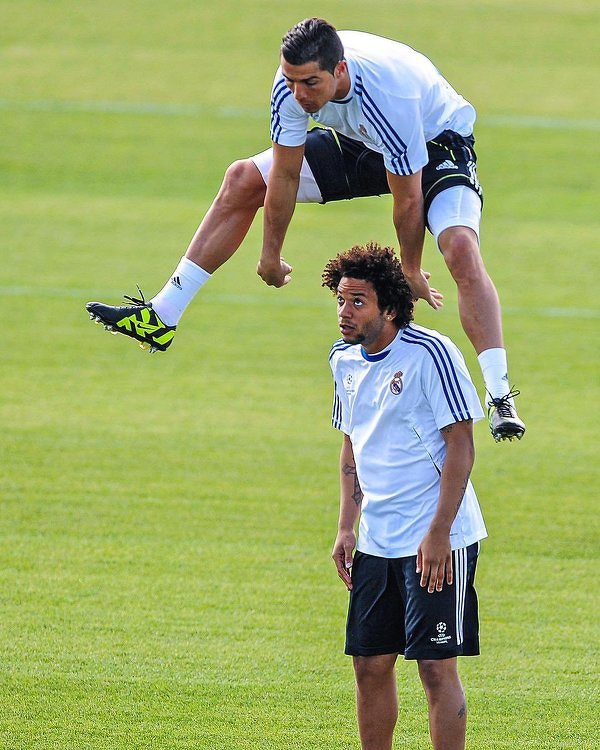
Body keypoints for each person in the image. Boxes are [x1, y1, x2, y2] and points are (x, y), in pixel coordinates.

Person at [86, 17, 525, 442]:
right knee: (243, 178)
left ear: (340, 70)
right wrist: (270, 254)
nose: (299, 94)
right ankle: (162, 315)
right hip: (360, 141)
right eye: (291, 81)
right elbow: (285, 173)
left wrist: (410, 269)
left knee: (460, 249)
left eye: (310, 83)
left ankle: (500, 396)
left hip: (437, 143)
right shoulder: (291, 87)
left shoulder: (389, 94)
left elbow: (408, 199)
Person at [323, 242, 486, 750]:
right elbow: (352, 444)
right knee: (369, 664)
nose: (345, 312)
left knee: (435, 669)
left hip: (436, 537)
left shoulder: (431, 354)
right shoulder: (343, 359)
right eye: (341, 299)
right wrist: (346, 526)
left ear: (390, 307)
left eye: (358, 302)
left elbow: (461, 444)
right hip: (377, 538)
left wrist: (440, 535)